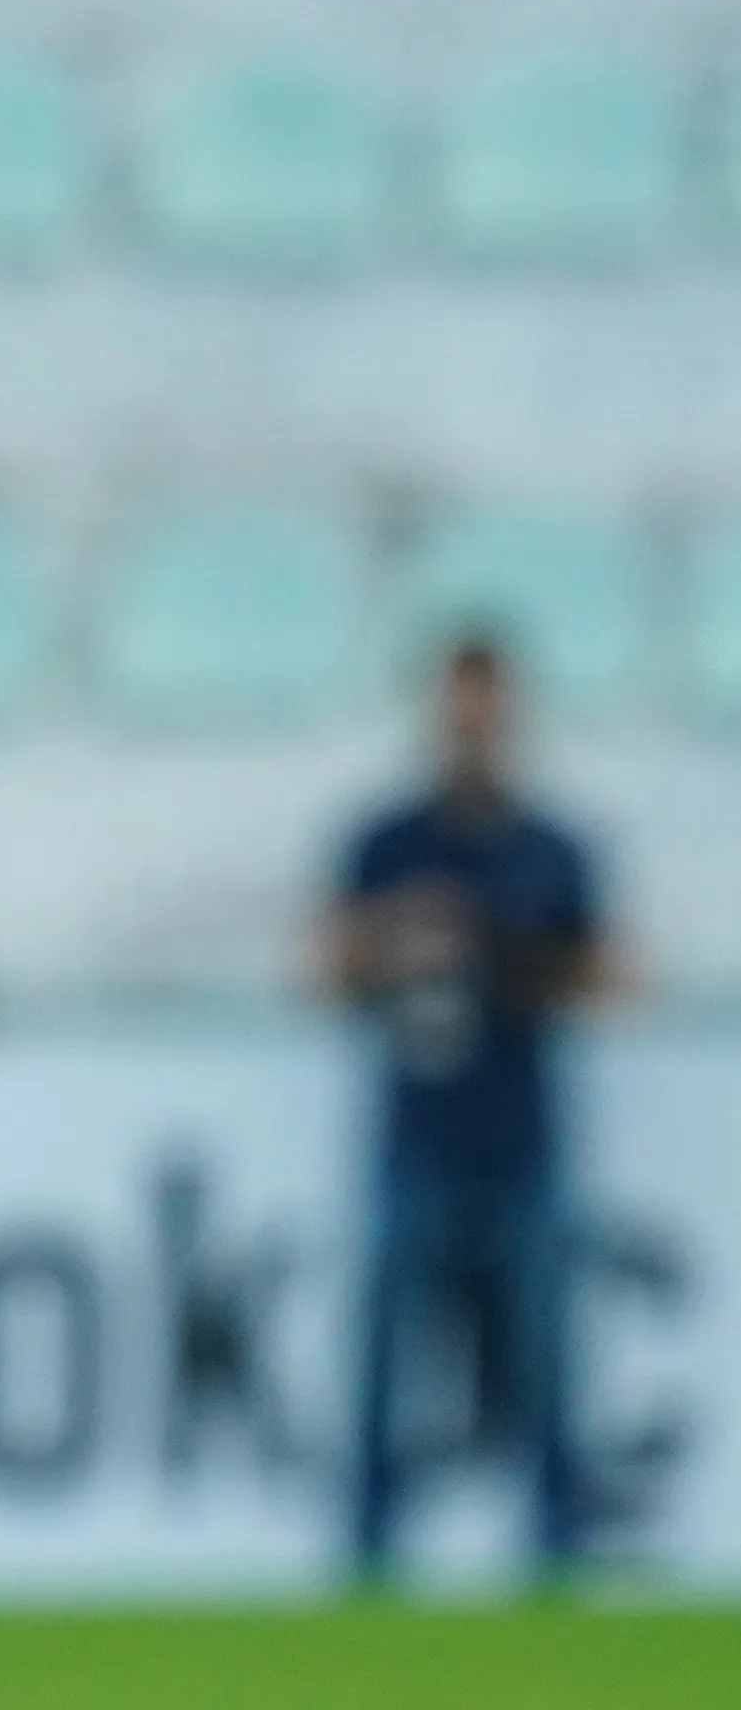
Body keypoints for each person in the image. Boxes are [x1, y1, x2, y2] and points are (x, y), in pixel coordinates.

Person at [324, 633, 619, 1588]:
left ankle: (556, 1558)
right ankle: (369, 1561)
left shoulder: (548, 849)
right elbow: (324, 969)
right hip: (416, 1135)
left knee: (541, 1364)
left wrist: (506, 949)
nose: (471, 727)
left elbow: (607, 974)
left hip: (520, 1136)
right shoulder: (389, 844)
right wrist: (398, 936)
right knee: (388, 1365)